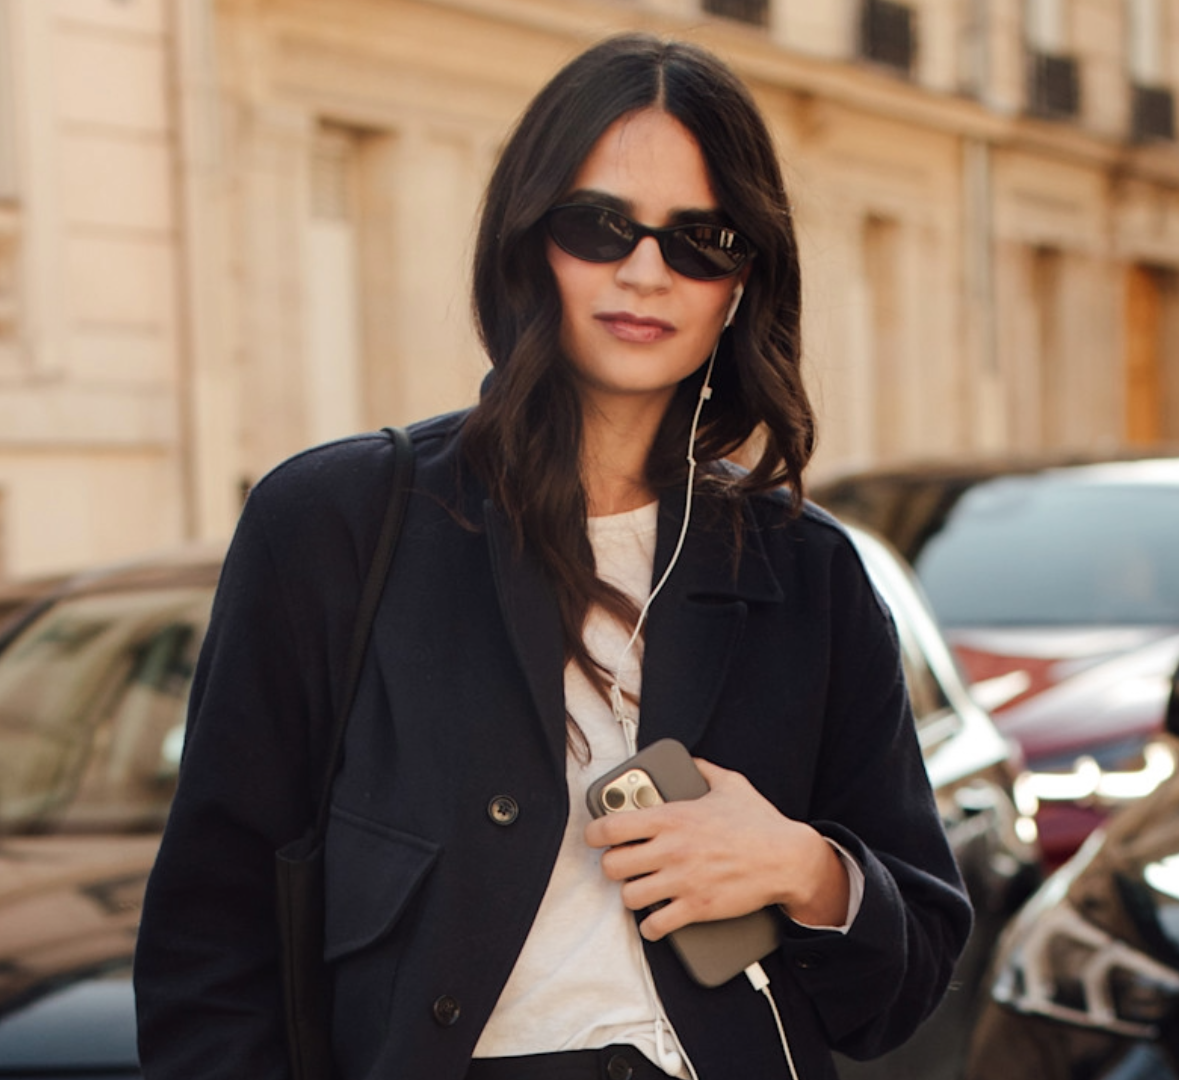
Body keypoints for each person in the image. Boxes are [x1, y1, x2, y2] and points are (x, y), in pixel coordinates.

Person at [133, 32, 971, 1080]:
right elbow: (209, 942)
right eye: (600, 225)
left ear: (742, 282)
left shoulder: (809, 574)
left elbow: (905, 983)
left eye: (701, 240)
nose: (646, 271)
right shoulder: (334, 525)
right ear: (530, 241)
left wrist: (806, 869)